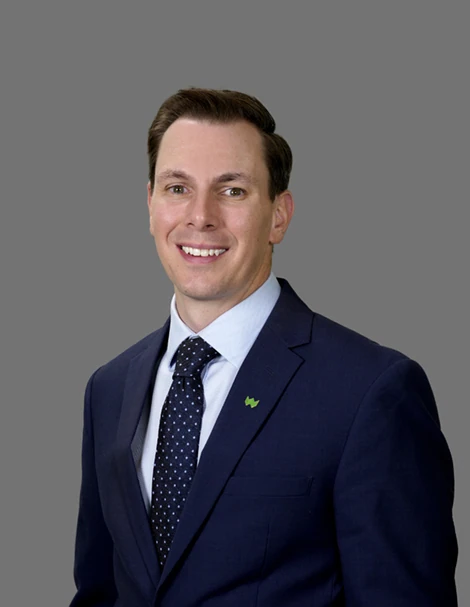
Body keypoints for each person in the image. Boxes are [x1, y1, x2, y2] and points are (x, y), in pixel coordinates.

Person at [70, 88, 458, 607]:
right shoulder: (109, 388)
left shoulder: (370, 392)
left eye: (232, 191)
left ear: (279, 215)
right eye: (177, 187)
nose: (200, 216)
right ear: (150, 205)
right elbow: (99, 593)